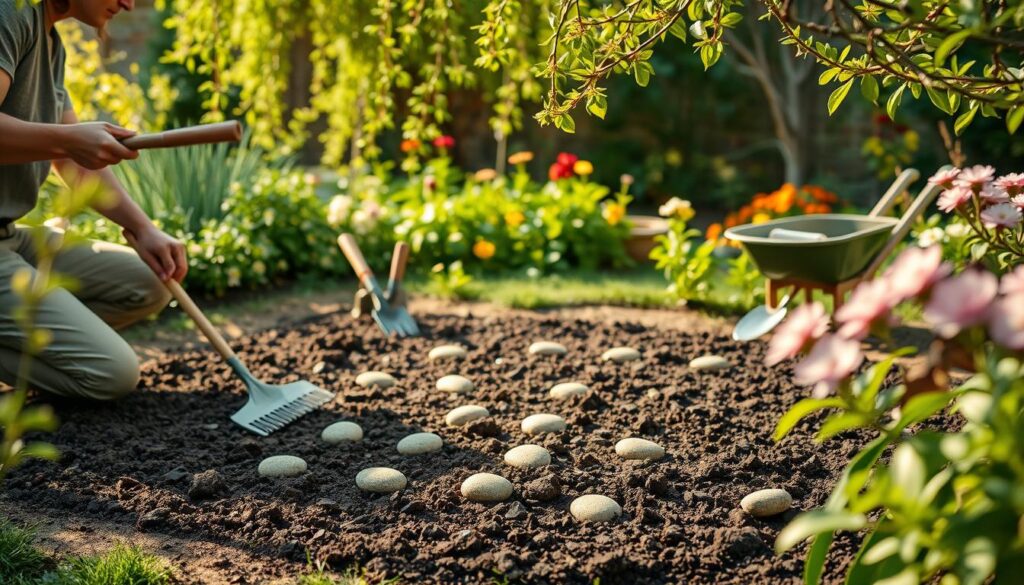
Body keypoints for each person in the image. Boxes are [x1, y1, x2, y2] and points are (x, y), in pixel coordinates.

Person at [0, 0, 186, 400]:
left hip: (11, 239)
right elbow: (65, 143)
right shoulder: (9, 12)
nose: (129, 3)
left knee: (152, 282)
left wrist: (143, 229)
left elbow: (69, 159)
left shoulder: (52, 44)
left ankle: (40, 347)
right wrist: (68, 137)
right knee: (111, 373)